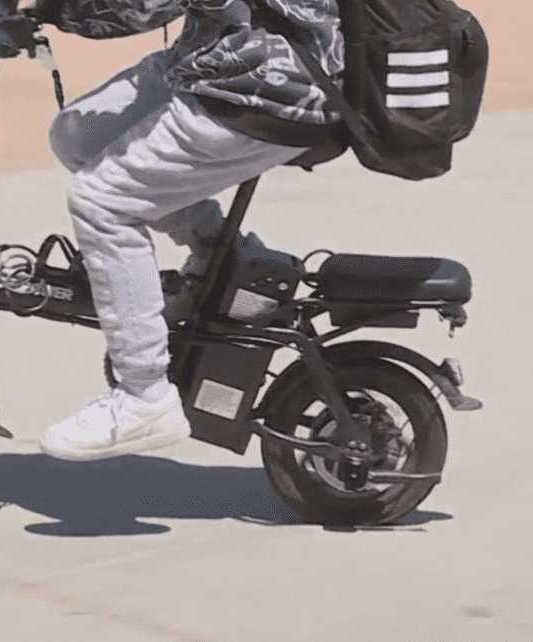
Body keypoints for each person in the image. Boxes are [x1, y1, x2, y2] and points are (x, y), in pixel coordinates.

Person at [30, 0, 345, 461]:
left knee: (101, 201)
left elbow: (146, 6)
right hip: (220, 59)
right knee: (77, 138)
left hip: (266, 88)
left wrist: (51, 11)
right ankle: (220, 254)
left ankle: (144, 397)